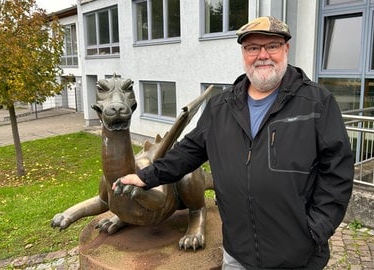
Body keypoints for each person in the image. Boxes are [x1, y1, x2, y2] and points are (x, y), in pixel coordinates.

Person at [113, 16, 354, 269]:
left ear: (286, 49)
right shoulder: (221, 106)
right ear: (243, 53)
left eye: (271, 46)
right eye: (252, 48)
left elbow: (337, 171)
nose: (263, 55)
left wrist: (316, 229)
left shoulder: (317, 103)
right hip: (237, 254)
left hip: (297, 257)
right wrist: (147, 177)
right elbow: (189, 151)